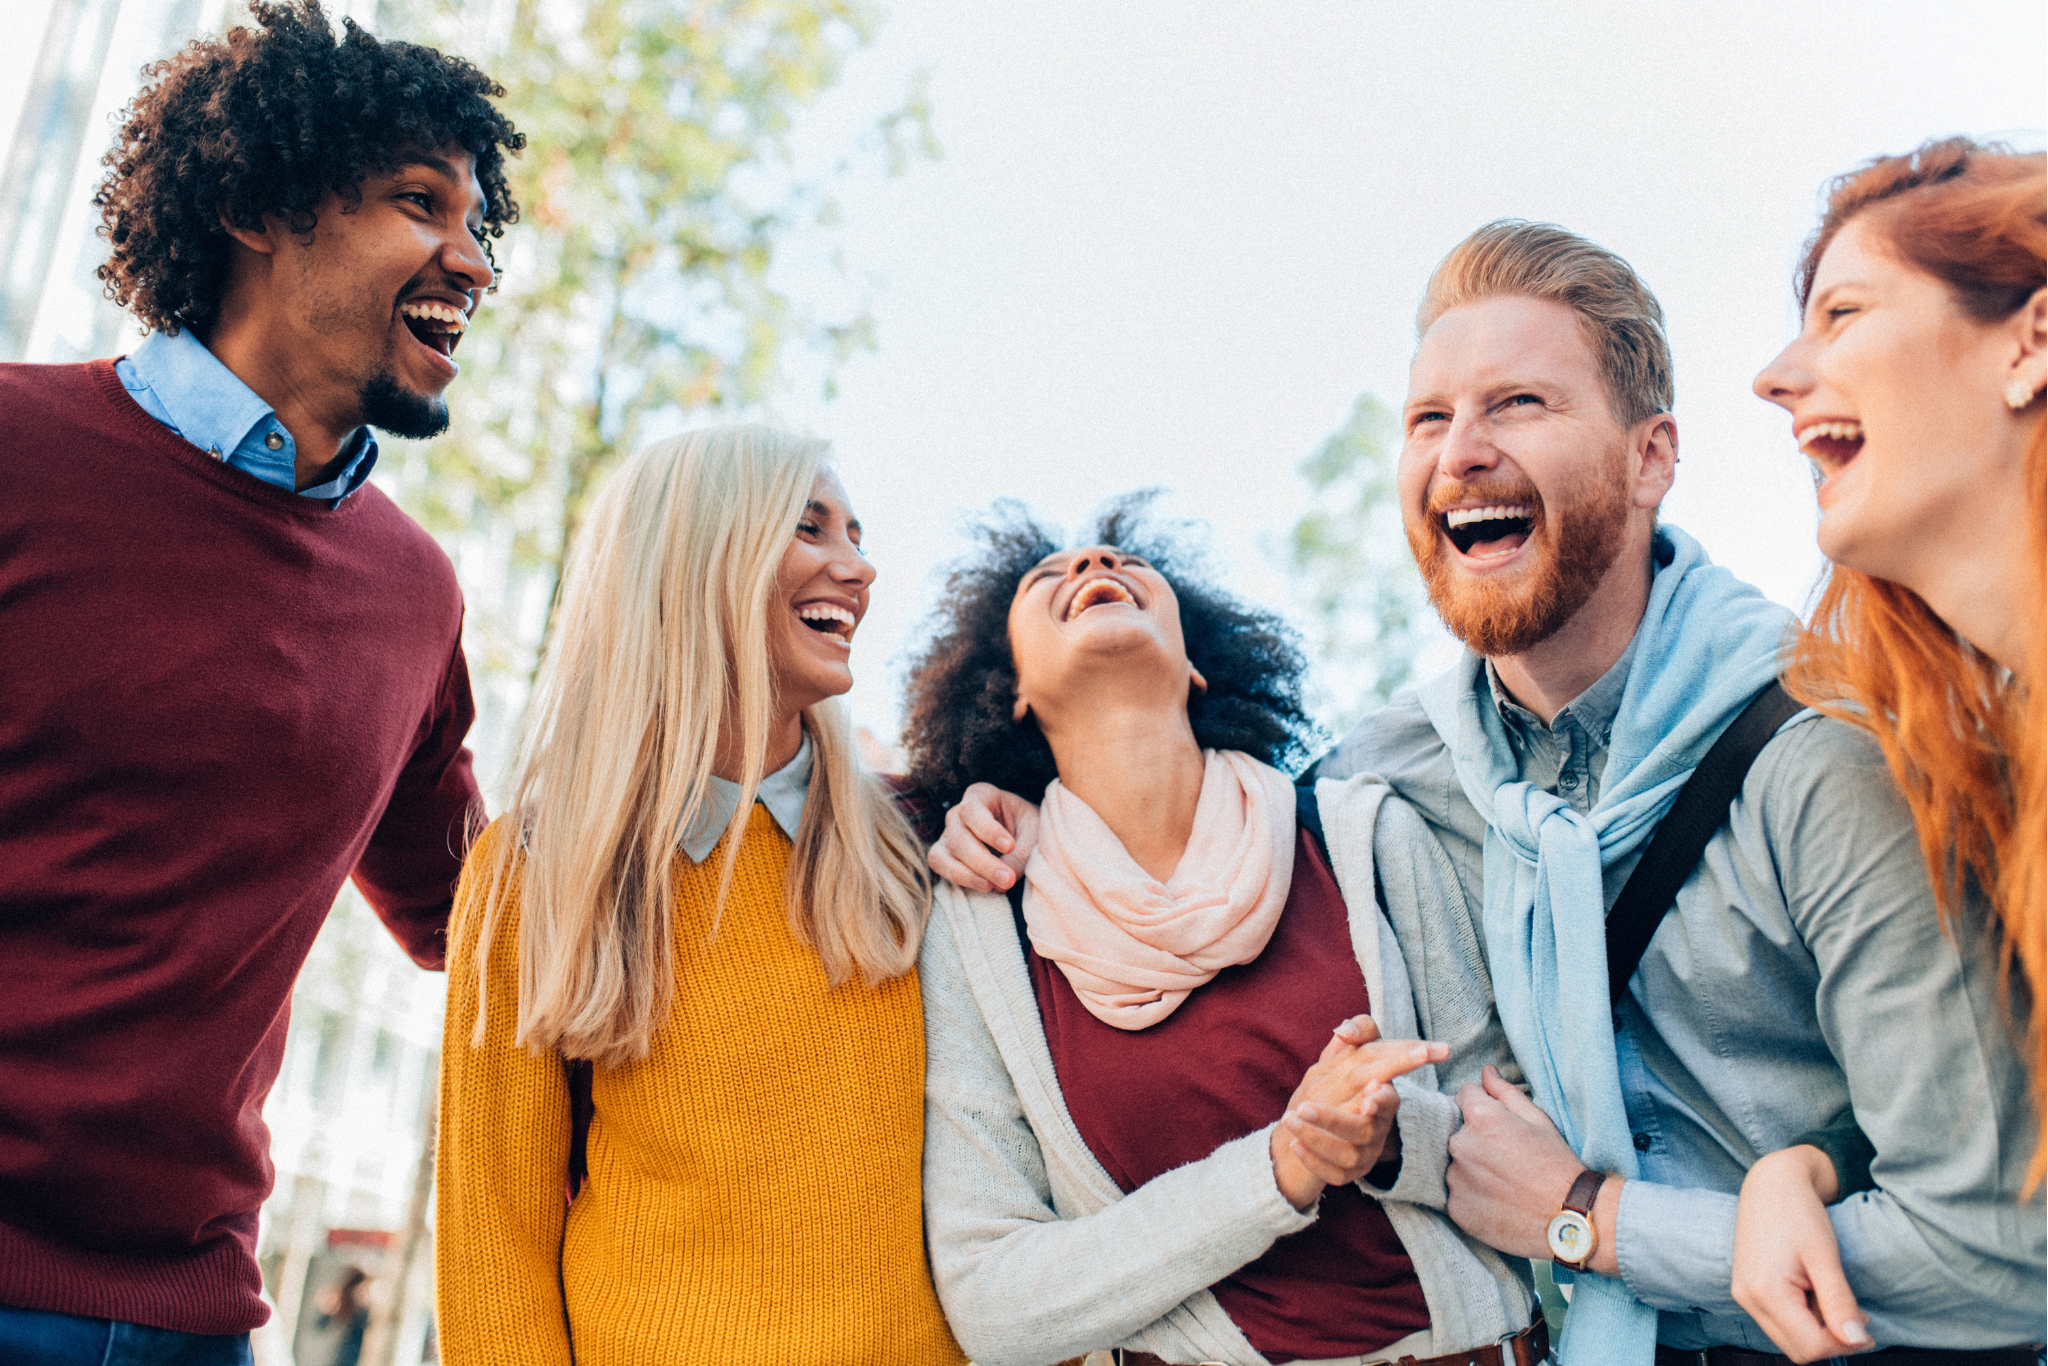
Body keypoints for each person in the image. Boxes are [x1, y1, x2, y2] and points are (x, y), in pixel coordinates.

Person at [931, 222, 2045, 1362]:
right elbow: (1191, 827)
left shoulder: (1826, 751)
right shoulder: (1389, 781)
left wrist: (1590, 1219)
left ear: (1651, 457)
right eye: (1427, 419)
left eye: (1518, 403)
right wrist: (1001, 807)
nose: (1458, 452)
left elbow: (2000, 1259)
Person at [0, 4, 522, 1362]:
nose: (471, 261)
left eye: (480, 229)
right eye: (423, 204)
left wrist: (837, 817)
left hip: (186, 1317)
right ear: (256, 204)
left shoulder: (415, 593)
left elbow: (480, 911)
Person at [904, 498, 1544, 1366]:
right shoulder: (980, 928)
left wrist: (1388, 1140)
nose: (1094, 566)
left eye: (1124, 567)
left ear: (1199, 665)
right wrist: (1277, 1169)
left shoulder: (1362, 838)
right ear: (1007, 690)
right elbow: (994, 1305)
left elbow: (1513, 1132)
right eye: (1049, 578)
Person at [435, 425, 964, 1365]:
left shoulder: (926, 845)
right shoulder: (535, 864)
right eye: (810, 529)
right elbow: (494, 1248)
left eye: (857, 536)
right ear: (696, 560)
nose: (859, 570)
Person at [1733, 138, 2047, 1362]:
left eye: (1841, 313)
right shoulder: (1996, 772)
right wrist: (1803, 1164)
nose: (1771, 376)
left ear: (2027, 343)